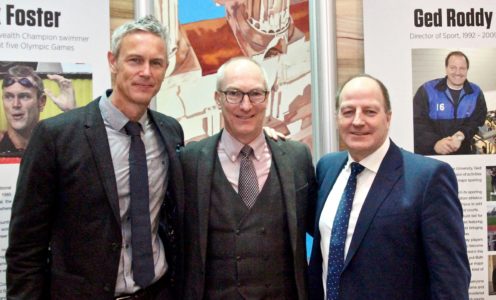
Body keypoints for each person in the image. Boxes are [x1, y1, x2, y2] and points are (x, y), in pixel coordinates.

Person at [6, 15, 184, 299]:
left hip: (159, 291)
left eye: (156, 63)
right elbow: (25, 248)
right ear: (113, 61)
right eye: (135, 60)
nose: (146, 72)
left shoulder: (170, 131)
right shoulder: (55, 136)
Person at [308, 74, 470, 299]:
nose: (357, 121)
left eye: (369, 111)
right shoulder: (327, 168)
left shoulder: (428, 178)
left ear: (388, 117)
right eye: (348, 111)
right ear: (337, 118)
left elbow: (450, 278)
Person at [181, 56, 316, 299]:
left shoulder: (297, 158)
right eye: (234, 94)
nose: (246, 106)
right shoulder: (190, 161)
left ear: (267, 97)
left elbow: (320, 228)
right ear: (218, 99)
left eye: (255, 94)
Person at [413, 50, 487, 155]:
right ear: (446, 69)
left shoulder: (476, 92)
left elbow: (477, 121)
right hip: (432, 155)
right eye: (453, 68)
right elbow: (417, 123)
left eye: (462, 68)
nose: (457, 72)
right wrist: (435, 143)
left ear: (467, 70)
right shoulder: (427, 90)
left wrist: (460, 136)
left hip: (463, 155)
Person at [0, 65, 75, 156]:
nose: (15, 104)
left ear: (41, 102)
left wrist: (71, 112)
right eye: (9, 97)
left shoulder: (57, 146)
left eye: (24, 96)